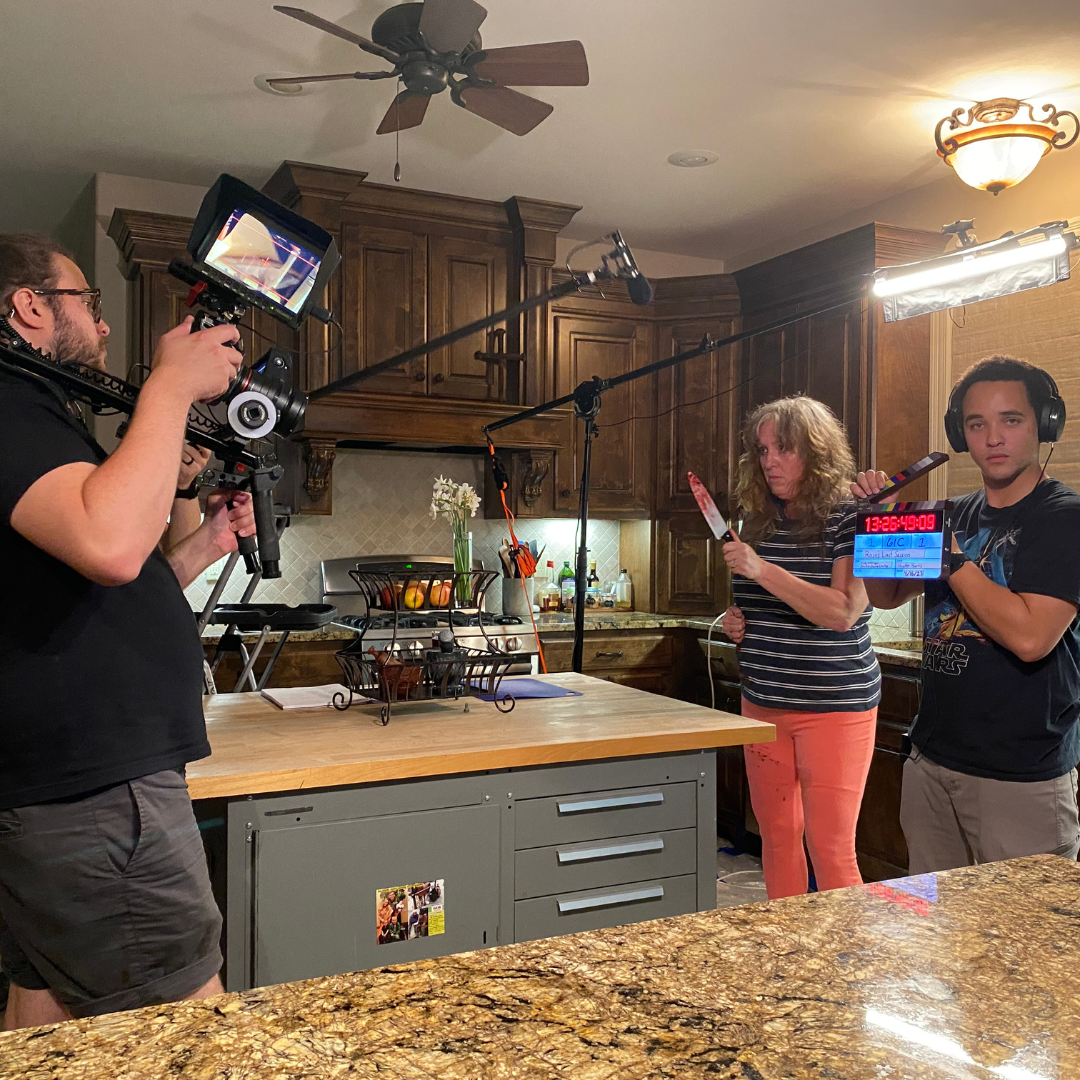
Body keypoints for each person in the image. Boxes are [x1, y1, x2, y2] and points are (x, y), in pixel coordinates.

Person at [0, 234, 256, 1029]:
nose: (105, 329)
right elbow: (111, 545)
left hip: (68, 787)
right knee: (181, 1033)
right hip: (94, 792)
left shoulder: (34, 411)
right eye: (89, 302)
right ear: (30, 305)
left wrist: (206, 545)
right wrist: (170, 389)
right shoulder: (7, 399)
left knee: (45, 1016)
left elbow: (101, 589)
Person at [853, 356, 1080, 873]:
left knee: (1026, 941)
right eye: (977, 424)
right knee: (935, 934)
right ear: (961, 434)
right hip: (932, 759)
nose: (993, 437)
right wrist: (878, 525)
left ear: (1045, 424)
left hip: (1021, 771)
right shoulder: (952, 513)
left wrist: (951, 555)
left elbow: (1031, 638)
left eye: (1011, 420)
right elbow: (886, 594)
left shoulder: (1064, 518)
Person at [721, 396, 880, 899]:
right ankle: (788, 960)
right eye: (762, 450)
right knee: (778, 840)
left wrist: (760, 571)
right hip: (763, 701)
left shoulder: (848, 517)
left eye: (783, 449)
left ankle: (845, 966)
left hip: (833, 706)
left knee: (831, 849)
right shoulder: (758, 522)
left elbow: (842, 611)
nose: (769, 461)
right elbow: (757, 603)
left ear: (815, 453)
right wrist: (737, 621)